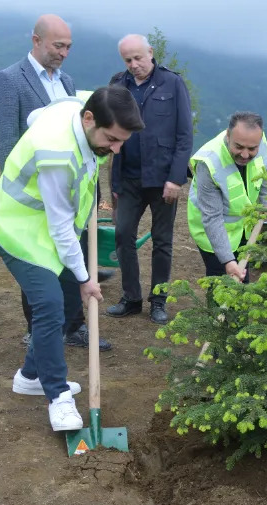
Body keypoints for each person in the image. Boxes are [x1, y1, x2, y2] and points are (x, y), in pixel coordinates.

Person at [0, 87, 143, 432]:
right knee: (50, 303)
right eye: (112, 139)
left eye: (122, 141)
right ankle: (58, 396)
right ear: (89, 119)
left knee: (71, 297)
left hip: (50, 225)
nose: (116, 149)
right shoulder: (56, 153)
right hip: (18, 229)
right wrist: (86, 276)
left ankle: (30, 376)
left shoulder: (78, 106)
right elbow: (59, 228)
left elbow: (36, 115)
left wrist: (80, 280)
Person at [0, 15, 111, 351]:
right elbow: (7, 144)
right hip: (36, 194)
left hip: (72, 188)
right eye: (59, 45)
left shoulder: (68, 82)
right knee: (40, 260)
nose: (64, 53)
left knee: (75, 255)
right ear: (36, 41)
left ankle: (74, 326)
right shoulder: (10, 80)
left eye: (68, 46)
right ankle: (38, 330)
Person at [105, 34, 193, 324]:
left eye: (138, 58)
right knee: (122, 234)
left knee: (162, 240)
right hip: (128, 177)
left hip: (163, 179)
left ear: (151, 53)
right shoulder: (117, 85)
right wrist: (113, 185)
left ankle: (158, 301)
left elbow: (184, 136)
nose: (134, 65)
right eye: (128, 60)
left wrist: (176, 179)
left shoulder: (173, 83)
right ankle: (131, 298)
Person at [187, 112, 267, 280]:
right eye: (239, 147)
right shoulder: (209, 163)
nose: (245, 155)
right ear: (228, 136)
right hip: (212, 232)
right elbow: (212, 218)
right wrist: (227, 260)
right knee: (220, 283)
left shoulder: (260, 143)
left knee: (242, 281)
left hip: (243, 228)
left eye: (251, 149)